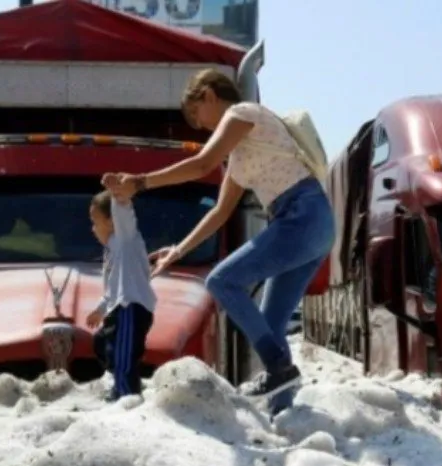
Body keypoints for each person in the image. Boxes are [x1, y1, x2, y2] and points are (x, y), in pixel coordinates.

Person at [101, 68, 335, 410]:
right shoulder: (241, 157)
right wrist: (178, 250)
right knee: (270, 323)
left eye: (199, 115)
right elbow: (219, 213)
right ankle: (282, 411)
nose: (204, 128)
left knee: (222, 281)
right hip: (312, 224)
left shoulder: (243, 112)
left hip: (301, 215)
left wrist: (140, 182)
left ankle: (279, 368)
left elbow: (201, 164)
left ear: (209, 94)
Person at [86, 189, 157, 401]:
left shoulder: (125, 240)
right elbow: (111, 289)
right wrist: (100, 309)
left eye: (95, 221)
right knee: (102, 344)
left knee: (123, 355)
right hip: (118, 308)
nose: (93, 228)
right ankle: (121, 384)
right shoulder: (111, 251)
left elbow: (124, 213)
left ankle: (125, 394)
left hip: (131, 307)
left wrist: (119, 193)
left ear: (111, 221)